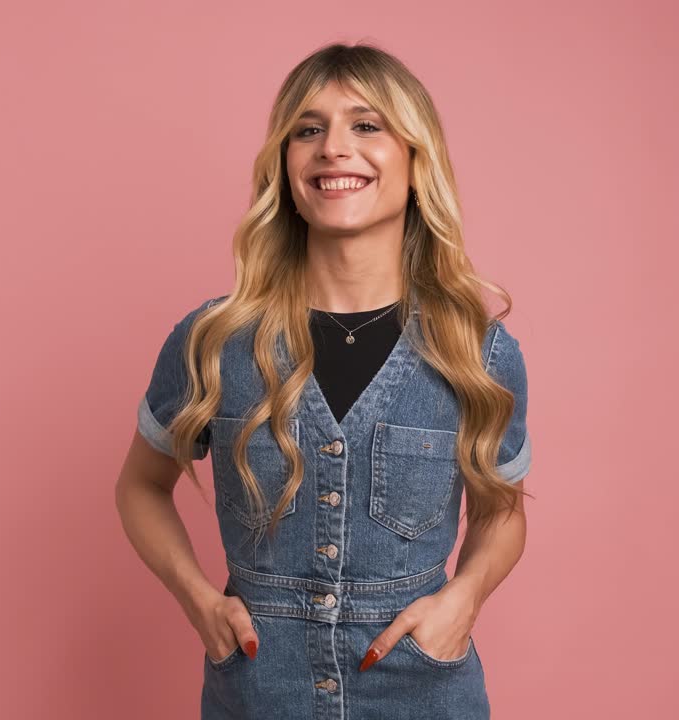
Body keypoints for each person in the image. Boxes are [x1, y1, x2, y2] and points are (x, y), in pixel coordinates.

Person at [115, 41, 532, 720]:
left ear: (415, 161)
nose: (334, 147)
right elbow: (140, 485)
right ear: (286, 165)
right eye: (309, 129)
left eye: (367, 125)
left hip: (422, 693)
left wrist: (465, 598)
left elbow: (501, 512)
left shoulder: (476, 350)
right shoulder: (214, 341)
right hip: (259, 693)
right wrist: (199, 600)